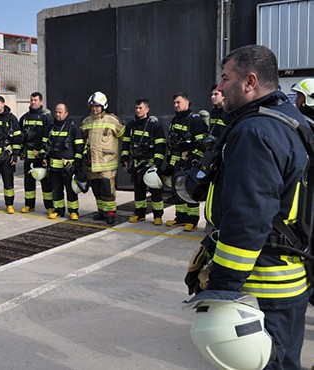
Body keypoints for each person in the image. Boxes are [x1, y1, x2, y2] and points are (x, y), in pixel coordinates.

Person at [203, 44, 311, 370]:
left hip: (260, 288)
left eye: (225, 78)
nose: (219, 87)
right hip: (291, 280)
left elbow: (247, 221)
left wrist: (220, 290)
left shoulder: (254, 131)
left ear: (249, 82)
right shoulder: (292, 120)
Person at [164, 92, 207, 231]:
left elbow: (202, 145)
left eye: (179, 102)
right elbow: (172, 144)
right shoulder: (175, 120)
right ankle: (180, 218)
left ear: (187, 103)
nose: (176, 105)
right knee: (177, 190)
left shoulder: (195, 120)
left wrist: (192, 161)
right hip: (177, 162)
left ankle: (192, 220)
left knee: (189, 190)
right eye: (174, 103)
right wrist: (170, 163)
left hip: (190, 162)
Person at [80, 91, 125, 225]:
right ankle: (101, 211)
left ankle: (110, 213)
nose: (95, 109)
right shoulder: (86, 121)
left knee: (107, 190)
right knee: (96, 189)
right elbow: (81, 141)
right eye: (93, 106)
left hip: (107, 163)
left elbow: (125, 136)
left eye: (97, 106)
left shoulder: (112, 120)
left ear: (103, 106)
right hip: (92, 163)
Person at [120, 99, 165, 225]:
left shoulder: (154, 125)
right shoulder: (131, 125)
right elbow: (126, 144)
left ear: (147, 109)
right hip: (136, 165)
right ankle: (140, 214)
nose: (138, 110)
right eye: (136, 108)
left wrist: (157, 163)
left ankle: (158, 216)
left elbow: (160, 145)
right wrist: (124, 159)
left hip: (150, 164)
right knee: (139, 192)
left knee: (155, 192)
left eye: (140, 108)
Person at [46, 103, 84, 220]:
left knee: (70, 190)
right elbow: (47, 145)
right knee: (56, 189)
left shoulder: (73, 127)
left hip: (68, 166)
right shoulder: (51, 127)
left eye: (60, 112)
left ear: (66, 113)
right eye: (56, 112)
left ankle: (73, 211)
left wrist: (76, 164)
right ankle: (58, 210)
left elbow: (79, 147)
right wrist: (45, 158)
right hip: (54, 166)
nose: (57, 114)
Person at [19, 92, 53, 214]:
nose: (33, 102)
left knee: (46, 183)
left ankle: (49, 207)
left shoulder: (46, 118)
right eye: (31, 100)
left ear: (41, 102)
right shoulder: (24, 118)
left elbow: (49, 137)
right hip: (28, 156)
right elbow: (20, 136)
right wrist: (21, 151)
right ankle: (29, 205)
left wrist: (43, 153)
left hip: (41, 156)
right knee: (28, 182)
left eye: (35, 100)